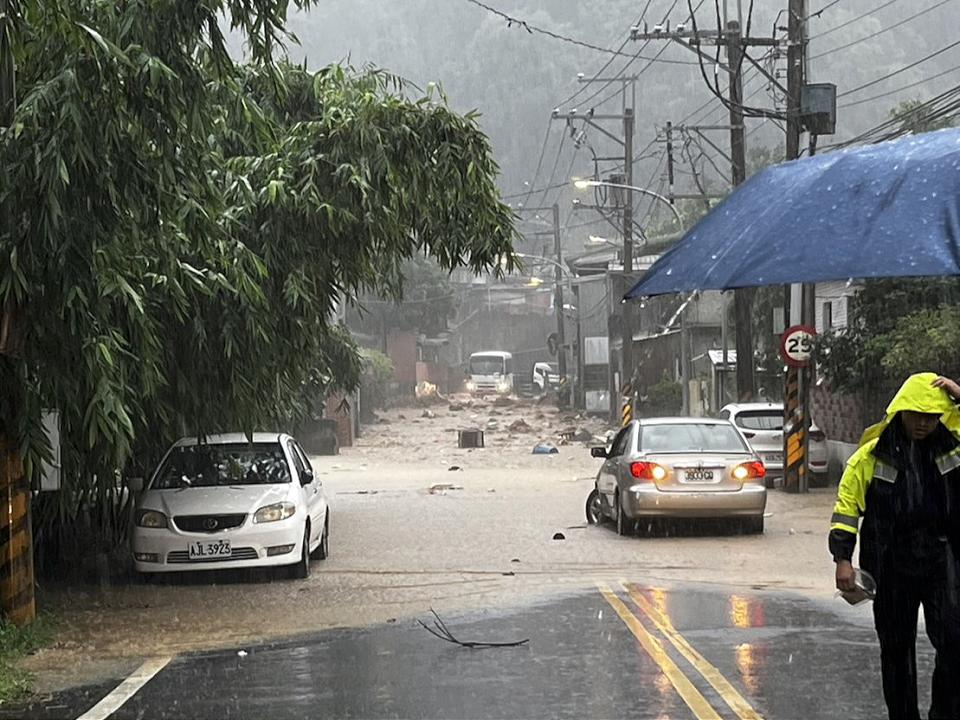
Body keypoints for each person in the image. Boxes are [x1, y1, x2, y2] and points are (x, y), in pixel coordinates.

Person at [830, 373, 960, 720]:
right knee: (896, 651)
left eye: (931, 416)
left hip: (941, 560)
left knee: (954, 643)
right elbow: (846, 509)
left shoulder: (953, 448)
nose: (922, 423)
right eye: (916, 415)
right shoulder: (870, 457)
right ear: (900, 411)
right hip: (890, 564)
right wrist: (843, 559)